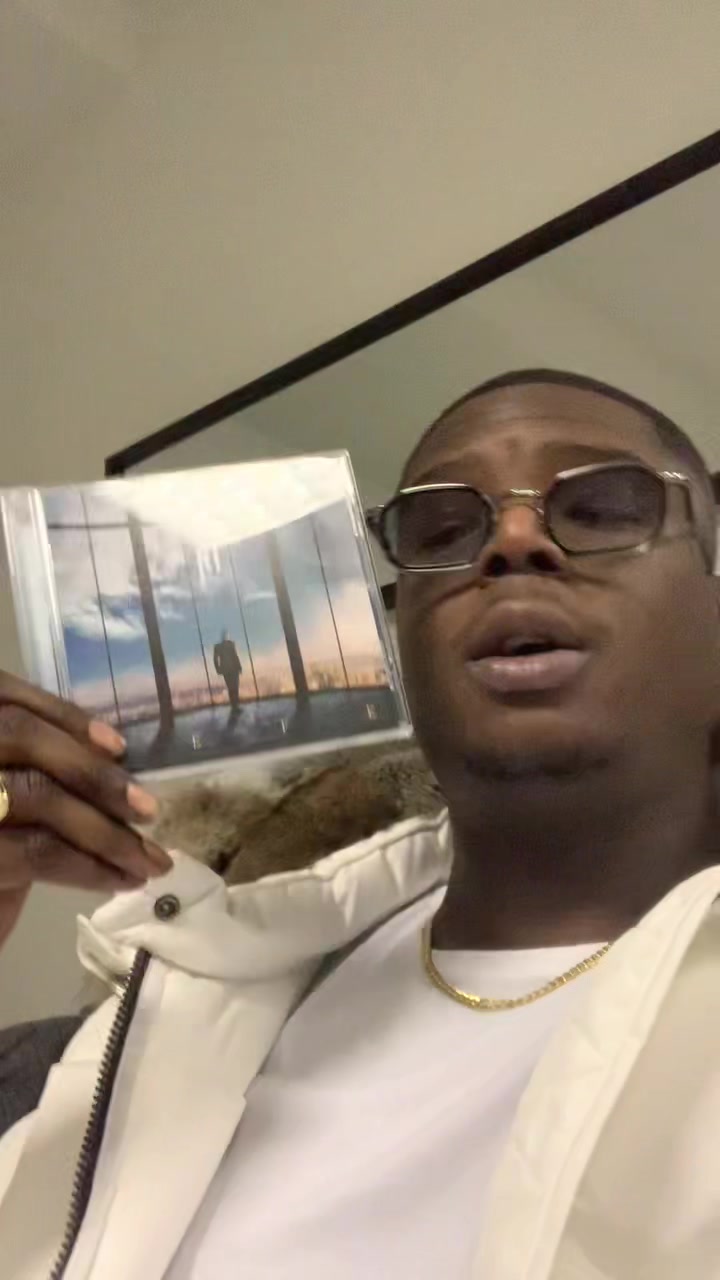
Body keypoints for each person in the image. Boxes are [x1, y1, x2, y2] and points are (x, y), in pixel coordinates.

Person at [1, 368, 720, 1279]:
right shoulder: (136, 1030)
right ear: (398, 643)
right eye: (443, 531)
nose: (512, 540)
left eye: (605, 508)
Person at [213, 629, 243, 709]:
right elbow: (235, 656)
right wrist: (239, 667)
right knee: (234, 687)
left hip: (228, 669)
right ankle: (235, 704)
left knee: (232, 687)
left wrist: (218, 669)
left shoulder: (218, 646)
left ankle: (234, 704)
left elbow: (235, 656)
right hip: (232, 669)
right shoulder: (229, 644)